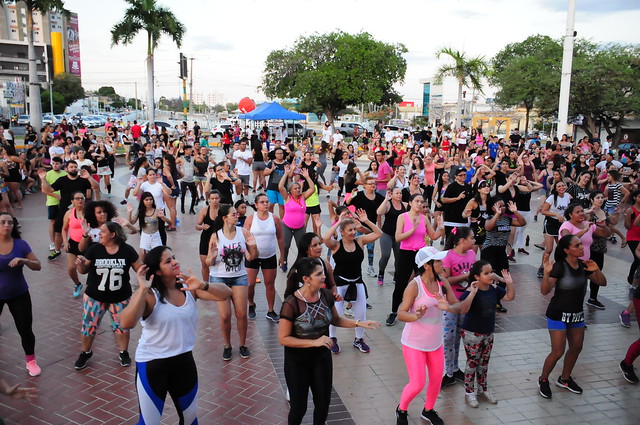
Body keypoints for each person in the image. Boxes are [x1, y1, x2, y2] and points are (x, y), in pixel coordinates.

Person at [120, 246, 232, 425]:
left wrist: (203, 285)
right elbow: (126, 323)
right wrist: (141, 290)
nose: (175, 262)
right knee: (149, 423)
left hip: (183, 363)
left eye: (174, 257)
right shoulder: (149, 295)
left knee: (189, 420)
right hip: (152, 365)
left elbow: (226, 293)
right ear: (157, 271)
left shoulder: (189, 288)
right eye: (168, 261)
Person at [279, 257, 379, 425]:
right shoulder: (291, 303)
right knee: (299, 407)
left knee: (323, 404)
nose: (324, 277)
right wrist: (313, 342)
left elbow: (335, 319)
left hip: (321, 358)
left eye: (323, 273)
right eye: (319, 274)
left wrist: (358, 323)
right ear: (306, 279)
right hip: (297, 361)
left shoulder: (325, 295)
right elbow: (283, 338)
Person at [395, 246, 469, 425]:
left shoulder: (443, 282)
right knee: (418, 383)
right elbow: (400, 313)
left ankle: (428, 410)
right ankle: (402, 409)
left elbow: (458, 306)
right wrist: (416, 316)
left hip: (435, 342)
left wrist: (448, 307)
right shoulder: (415, 286)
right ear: (427, 265)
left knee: (436, 380)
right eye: (438, 261)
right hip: (414, 343)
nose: (442, 264)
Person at [538, 235, 606, 399]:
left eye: (581, 244)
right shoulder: (559, 267)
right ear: (567, 250)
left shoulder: (584, 266)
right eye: (577, 245)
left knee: (576, 347)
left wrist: (596, 269)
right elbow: (545, 291)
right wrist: (547, 273)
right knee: (558, 351)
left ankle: (565, 378)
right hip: (558, 314)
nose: (582, 247)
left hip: (576, 315)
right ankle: (544, 379)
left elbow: (602, 282)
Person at [74, 222, 143, 370]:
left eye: (103, 232)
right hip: (94, 297)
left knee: (122, 327)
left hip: (120, 297)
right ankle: (85, 352)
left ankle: (123, 352)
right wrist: (80, 264)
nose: (99, 233)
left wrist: (144, 283)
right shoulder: (95, 249)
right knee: (88, 327)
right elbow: (83, 270)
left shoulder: (127, 250)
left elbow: (140, 268)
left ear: (113, 234)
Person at [323, 209, 382, 354]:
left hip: (357, 283)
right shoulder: (336, 245)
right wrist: (338, 222)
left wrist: (365, 220)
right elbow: (325, 238)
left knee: (361, 313)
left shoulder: (360, 241)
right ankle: (332, 338)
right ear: (342, 232)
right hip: (339, 285)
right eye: (350, 230)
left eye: (354, 229)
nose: (353, 232)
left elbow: (379, 233)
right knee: (335, 313)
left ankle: (359, 339)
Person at [459, 260, 515, 408]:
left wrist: (509, 283)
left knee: (484, 363)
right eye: (486, 273)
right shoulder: (470, 290)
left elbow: (509, 297)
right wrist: (472, 293)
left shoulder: (494, 289)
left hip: (488, 333)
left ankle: (483, 389)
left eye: (491, 272)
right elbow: (463, 310)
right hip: (472, 333)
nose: (491, 275)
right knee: (472, 363)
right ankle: (469, 392)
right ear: (477, 276)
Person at [206, 204, 259, 360]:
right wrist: (213, 255)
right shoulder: (216, 236)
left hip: (239, 276)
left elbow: (253, 256)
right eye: (233, 214)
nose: (237, 216)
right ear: (224, 218)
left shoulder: (243, 233)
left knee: (242, 314)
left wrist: (253, 246)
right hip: (219, 277)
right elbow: (208, 262)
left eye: (237, 214)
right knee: (225, 316)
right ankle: (227, 345)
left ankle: (242, 345)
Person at [387, 194, 444, 326]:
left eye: (422, 202)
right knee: (400, 283)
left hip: (421, 254)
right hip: (406, 253)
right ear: (410, 203)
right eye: (417, 201)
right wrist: (412, 229)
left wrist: (441, 228)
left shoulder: (424, 219)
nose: (419, 204)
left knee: (425, 280)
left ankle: (423, 306)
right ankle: (394, 311)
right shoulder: (402, 217)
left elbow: (434, 236)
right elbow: (398, 237)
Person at [0, 213, 42, 377]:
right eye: (2, 222)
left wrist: (24, 261)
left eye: (9, 223)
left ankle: (30, 361)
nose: (6, 225)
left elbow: (38, 265)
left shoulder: (21, 244)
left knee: (25, 329)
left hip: (19, 294)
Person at [440, 226, 477, 387]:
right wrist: (467, 275)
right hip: (451, 303)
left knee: (460, 336)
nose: (474, 241)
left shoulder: (472, 254)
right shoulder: (448, 256)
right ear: (462, 241)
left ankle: (455, 368)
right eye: (472, 238)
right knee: (448, 337)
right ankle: (448, 371)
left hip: (466, 302)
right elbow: (445, 280)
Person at [37, 161, 97, 260]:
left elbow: (95, 188)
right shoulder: (62, 180)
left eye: (75, 166)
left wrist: (89, 178)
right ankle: (57, 250)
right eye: (71, 167)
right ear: (66, 169)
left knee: (87, 228)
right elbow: (50, 189)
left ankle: (87, 249)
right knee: (59, 229)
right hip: (64, 209)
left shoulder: (83, 180)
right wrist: (43, 179)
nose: (73, 168)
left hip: (81, 209)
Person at [244, 193, 285, 322]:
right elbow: (244, 237)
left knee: (269, 284)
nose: (266, 204)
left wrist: (282, 256)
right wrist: (246, 253)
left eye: (267, 201)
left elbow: (280, 237)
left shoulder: (275, 218)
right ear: (256, 205)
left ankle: (271, 310)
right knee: (250, 284)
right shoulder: (251, 219)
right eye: (262, 202)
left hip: (270, 255)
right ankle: (251, 304)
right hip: (253, 256)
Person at [481, 197, 526, 313]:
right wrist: (496, 214)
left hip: (501, 251)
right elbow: (488, 227)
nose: (502, 208)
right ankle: (487, 300)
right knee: (491, 276)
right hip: (489, 250)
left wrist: (515, 211)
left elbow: (522, 223)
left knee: (504, 275)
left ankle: (497, 300)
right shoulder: (489, 218)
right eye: (499, 206)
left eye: (503, 206)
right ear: (493, 208)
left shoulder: (508, 219)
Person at [345, 176, 385, 276]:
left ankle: (370, 267)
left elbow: (382, 210)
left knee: (370, 248)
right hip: (358, 227)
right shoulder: (359, 195)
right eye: (370, 184)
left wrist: (379, 225)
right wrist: (351, 197)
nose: (373, 185)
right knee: (357, 249)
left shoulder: (379, 197)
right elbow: (346, 204)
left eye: (374, 184)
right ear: (364, 186)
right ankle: (354, 267)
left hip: (371, 227)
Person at [278, 166, 315, 271]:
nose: (298, 190)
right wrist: (286, 174)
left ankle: (301, 264)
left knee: (302, 247)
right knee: (285, 245)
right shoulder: (287, 197)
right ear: (290, 190)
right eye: (295, 188)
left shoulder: (303, 196)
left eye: (299, 188)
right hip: (287, 226)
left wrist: (307, 177)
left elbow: (312, 189)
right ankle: (284, 261)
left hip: (300, 227)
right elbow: (281, 187)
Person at [537, 180, 571, 278]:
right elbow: (543, 211)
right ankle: (542, 267)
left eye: (563, 185)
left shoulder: (567, 197)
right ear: (555, 189)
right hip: (550, 223)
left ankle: (559, 267)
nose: (561, 187)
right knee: (549, 248)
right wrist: (556, 214)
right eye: (559, 186)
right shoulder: (552, 198)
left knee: (562, 247)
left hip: (561, 224)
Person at [127, 192, 170, 263]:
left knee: (158, 259)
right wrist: (129, 212)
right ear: (142, 201)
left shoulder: (157, 210)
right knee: (142, 260)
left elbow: (170, 223)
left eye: (150, 199)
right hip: (145, 237)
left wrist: (163, 217)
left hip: (155, 237)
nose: (149, 201)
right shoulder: (140, 211)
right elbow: (131, 222)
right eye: (146, 200)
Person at [376, 187, 406, 286]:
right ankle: (381, 273)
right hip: (387, 234)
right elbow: (379, 212)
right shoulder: (388, 204)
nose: (399, 195)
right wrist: (386, 199)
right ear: (391, 194)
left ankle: (397, 276)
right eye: (397, 193)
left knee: (399, 257)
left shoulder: (405, 205)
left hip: (399, 236)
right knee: (386, 255)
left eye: (400, 193)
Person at [61, 191, 87, 297]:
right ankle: (77, 284)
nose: (80, 200)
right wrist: (65, 242)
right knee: (71, 268)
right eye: (77, 198)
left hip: (87, 243)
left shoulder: (89, 212)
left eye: (82, 198)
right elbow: (64, 229)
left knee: (86, 269)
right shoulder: (69, 213)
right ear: (72, 201)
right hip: (73, 242)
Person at [42, 157, 66, 257]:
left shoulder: (65, 174)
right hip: (52, 202)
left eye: (57, 163)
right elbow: (43, 190)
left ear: (61, 164)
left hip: (64, 202)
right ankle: (53, 242)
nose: (55, 165)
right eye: (53, 163)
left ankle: (61, 240)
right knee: (53, 221)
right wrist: (56, 196)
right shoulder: (48, 174)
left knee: (64, 222)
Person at [196, 190, 220, 281]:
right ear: (209, 199)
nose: (214, 200)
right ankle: (206, 284)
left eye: (216, 198)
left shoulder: (223, 210)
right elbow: (197, 226)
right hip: (206, 239)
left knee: (219, 263)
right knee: (204, 264)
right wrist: (202, 226)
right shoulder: (205, 210)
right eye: (212, 198)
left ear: (219, 199)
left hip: (219, 239)